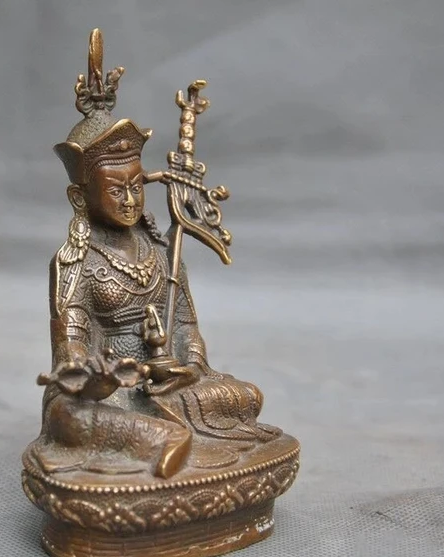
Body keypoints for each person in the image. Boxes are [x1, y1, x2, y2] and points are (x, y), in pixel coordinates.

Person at [34, 35, 280, 480]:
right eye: (116, 191)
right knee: (66, 415)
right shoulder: (75, 264)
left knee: (244, 396)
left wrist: (187, 367)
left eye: (136, 187)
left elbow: (186, 324)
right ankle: (162, 439)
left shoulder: (164, 250)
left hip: (166, 385)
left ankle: (160, 435)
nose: (130, 200)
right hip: (108, 393)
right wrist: (96, 377)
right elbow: (69, 352)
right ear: (80, 198)